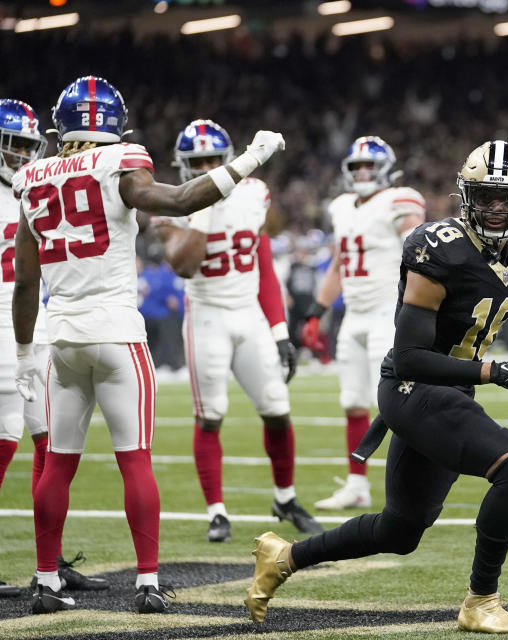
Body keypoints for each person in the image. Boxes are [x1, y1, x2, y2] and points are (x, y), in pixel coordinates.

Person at [243, 140, 508, 633]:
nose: (496, 208)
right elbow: (410, 358)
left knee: (400, 530)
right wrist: (495, 371)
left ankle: (283, 558)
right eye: (485, 196)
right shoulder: (437, 249)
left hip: (451, 390)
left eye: (507, 197)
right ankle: (481, 602)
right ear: (466, 196)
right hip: (412, 388)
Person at [11, 76, 285, 614]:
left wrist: (24, 353)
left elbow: (23, 280)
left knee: (58, 465)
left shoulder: (31, 176)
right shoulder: (120, 161)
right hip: (115, 332)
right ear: (115, 125)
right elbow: (181, 199)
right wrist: (251, 158)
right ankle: (146, 583)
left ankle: (45, 582)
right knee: (134, 461)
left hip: (60, 337)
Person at [152, 119, 321, 542]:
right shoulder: (172, 202)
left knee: (278, 408)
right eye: (199, 162)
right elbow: (185, 264)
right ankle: (216, 511)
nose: (207, 167)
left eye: (214, 160)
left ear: (228, 160)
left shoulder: (255, 193)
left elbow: (263, 261)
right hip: (207, 315)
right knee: (210, 415)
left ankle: (285, 497)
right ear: (183, 166)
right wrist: (204, 209)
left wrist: (280, 329)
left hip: (249, 315)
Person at [0, 98, 106, 598]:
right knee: (6, 445)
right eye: (13, 145)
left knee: (51, 444)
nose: (21, 155)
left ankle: (50, 563)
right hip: (7, 335)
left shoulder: (38, 187)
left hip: (35, 331)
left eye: (27, 145)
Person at [303, 136, 425, 511]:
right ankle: (357, 484)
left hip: (388, 314)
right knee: (354, 403)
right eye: (357, 167)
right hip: (353, 316)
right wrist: (315, 312)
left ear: (386, 168)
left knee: (397, 406)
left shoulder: (399, 200)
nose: (363, 173)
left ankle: (416, 489)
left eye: (369, 166)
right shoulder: (341, 207)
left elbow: (423, 250)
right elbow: (340, 263)